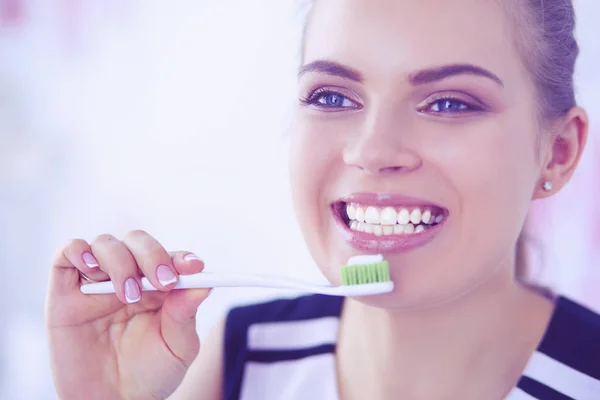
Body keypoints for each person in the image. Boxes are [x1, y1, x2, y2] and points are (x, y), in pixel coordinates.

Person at [46, 0, 600, 399]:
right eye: (333, 95)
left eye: (450, 104)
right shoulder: (240, 358)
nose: (373, 150)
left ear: (557, 152)